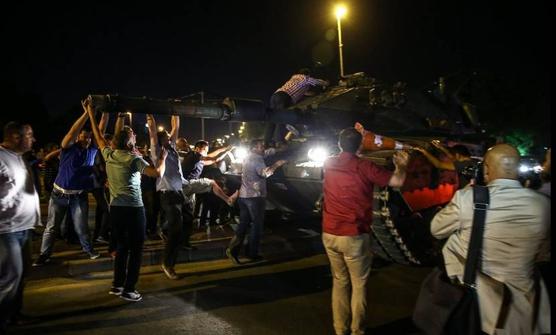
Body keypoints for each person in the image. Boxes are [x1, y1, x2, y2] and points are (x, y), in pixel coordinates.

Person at [430, 144, 550, 335]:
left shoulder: (469, 198)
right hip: (527, 302)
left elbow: (436, 230)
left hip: (480, 303)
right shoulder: (544, 204)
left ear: (485, 169)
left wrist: (466, 193)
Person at [321, 127, 409, 335]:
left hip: (329, 233)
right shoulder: (364, 166)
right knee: (358, 285)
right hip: (353, 234)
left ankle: (340, 329)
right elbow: (397, 181)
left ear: (340, 144)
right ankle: (357, 330)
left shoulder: (329, 163)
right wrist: (401, 166)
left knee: (339, 282)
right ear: (361, 144)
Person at [85, 98, 167, 302]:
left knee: (121, 247)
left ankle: (117, 285)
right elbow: (156, 173)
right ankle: (129, 289)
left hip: (116, 209)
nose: (135, 136)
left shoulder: (109, 154)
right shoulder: (134, 159)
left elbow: (97, 136)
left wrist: (90, 113)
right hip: (133, 208)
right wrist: (163, 159)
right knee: (137, 249)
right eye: (133, 135)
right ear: (130, 142)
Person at [33, 110, 106, 266]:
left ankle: (89, 249)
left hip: (78, 197)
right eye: (83, 137)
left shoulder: (92, 150)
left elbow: (100, 130)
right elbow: (72, 131)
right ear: (78, 138)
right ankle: (44, 255)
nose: (86, 139)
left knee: (81, 227)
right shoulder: (68, 148)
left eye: (88, 137)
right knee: (52, 227)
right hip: (58, 195)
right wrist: (87, 113)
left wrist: (105, 113)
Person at [0, 122, 40, 333]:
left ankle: (14, 314)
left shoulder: (19, 156)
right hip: (7, 230)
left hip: (25, 228)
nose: (33, 139)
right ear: (16, 137)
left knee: (23, 274)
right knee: (10, 276)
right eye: (29, 135)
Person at [225, 139, 287, 264]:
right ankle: (252, 253)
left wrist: (278, 150)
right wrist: (277, 164)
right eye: (261, 147)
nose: (263, 148)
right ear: (254, 148)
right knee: (256, 226)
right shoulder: (257, 159)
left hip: (244, 197)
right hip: (255, 197)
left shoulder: (249, 156)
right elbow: (265, 173)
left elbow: (267, 153)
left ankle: (233, 250)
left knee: (243, 225)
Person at [146, 114, 190, 280]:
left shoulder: (171, 148)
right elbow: (152, 132)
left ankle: (163, 228)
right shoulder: (157, 150)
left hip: (178, 193)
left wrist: (176, 112)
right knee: (176, 230)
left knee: (181, 228)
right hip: (167, 194)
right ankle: (167, 263)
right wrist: (151, 116)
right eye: (165, 136)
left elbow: (176, 127)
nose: (169, 137)